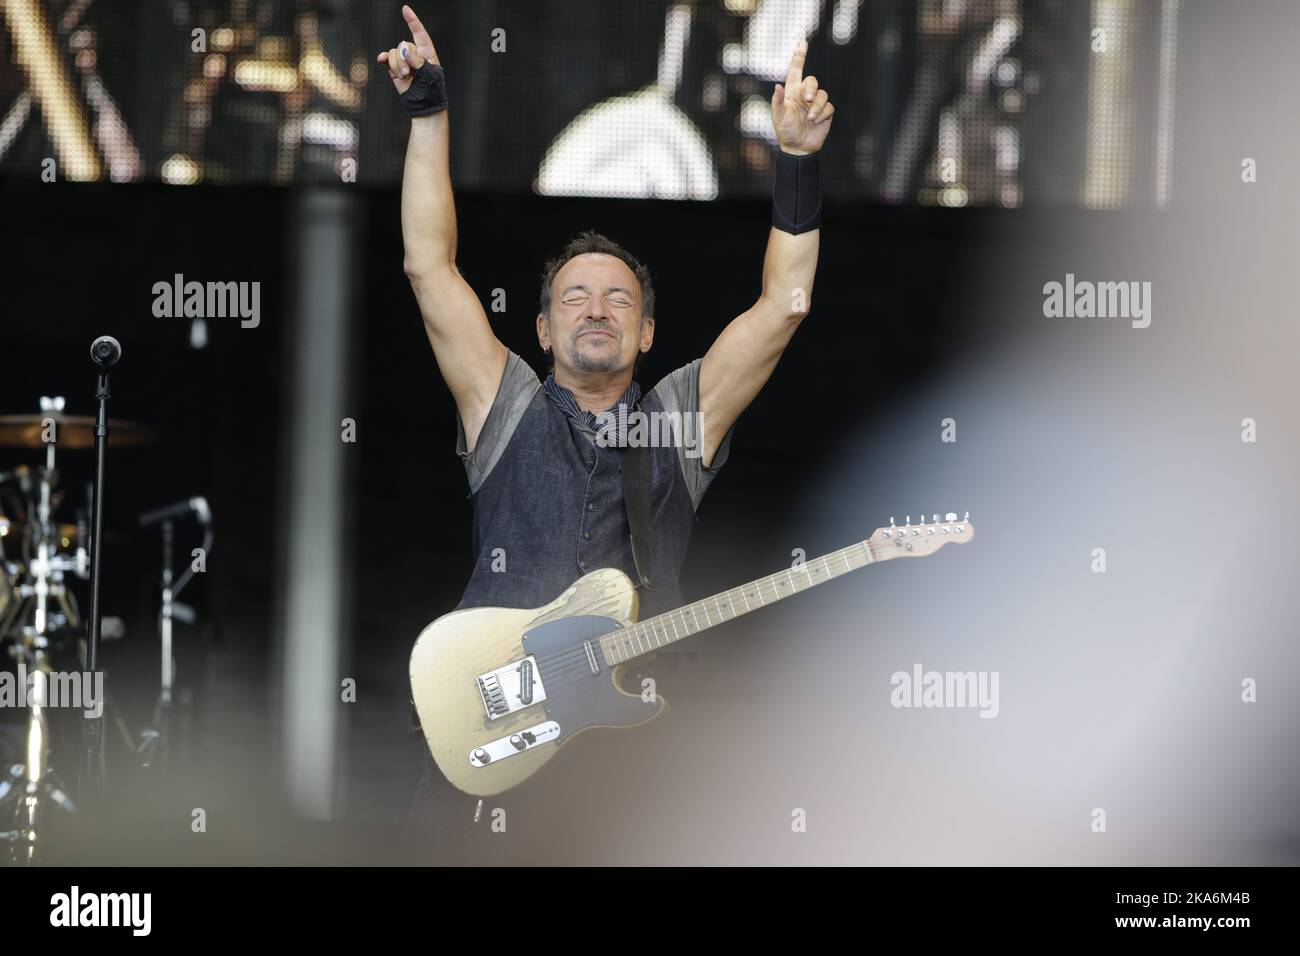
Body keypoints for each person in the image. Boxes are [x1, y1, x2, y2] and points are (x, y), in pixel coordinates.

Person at [378, 4, 834, 858]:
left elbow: (785, 306)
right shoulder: (503, 401)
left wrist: (798, 163)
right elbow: (427, 264)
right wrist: (428, 114)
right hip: (492, 726)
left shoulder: (676, 420)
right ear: (542, 330)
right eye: (575, 297)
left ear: (649, 334)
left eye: (620, 297)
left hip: (625, 765)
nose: (598, 309)